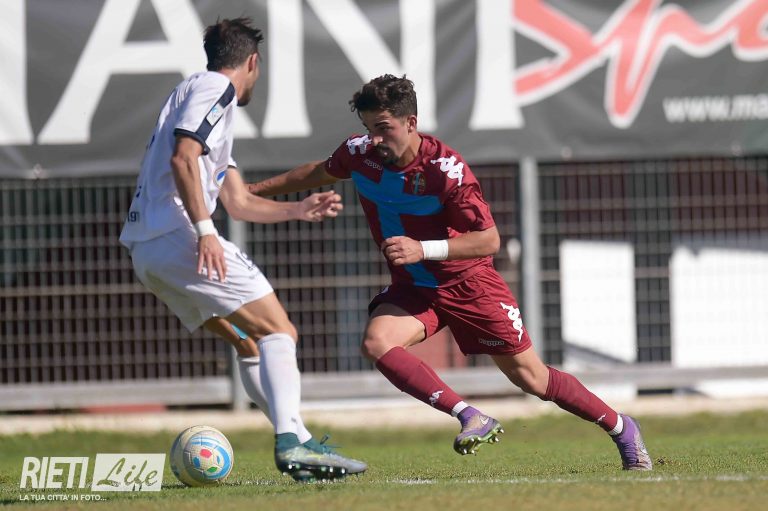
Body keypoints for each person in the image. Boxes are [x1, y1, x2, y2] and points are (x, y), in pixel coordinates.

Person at [248, 74, 652, 471]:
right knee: (377, 342)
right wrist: (249, 193)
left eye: (384, 128)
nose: (375, 139)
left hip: (469, 285)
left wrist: (422, 248)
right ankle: (470, 415)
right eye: (369, 128)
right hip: (415, 287)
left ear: (411, 123)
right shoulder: (360, 154)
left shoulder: (445, 170)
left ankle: (622, 428)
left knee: (533, 379)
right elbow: (317, 172)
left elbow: (489, 240)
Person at [119, 17, 366, 481]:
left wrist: (298, 210)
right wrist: (205, 232)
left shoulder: (195, 104)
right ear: (253, 62)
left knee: (250, 343)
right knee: (280, 331)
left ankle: (301, 443)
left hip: (147, 252)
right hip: (179, 238)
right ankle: (293, 442)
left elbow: (238, 201)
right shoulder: (216, 89)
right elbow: (182, 158)